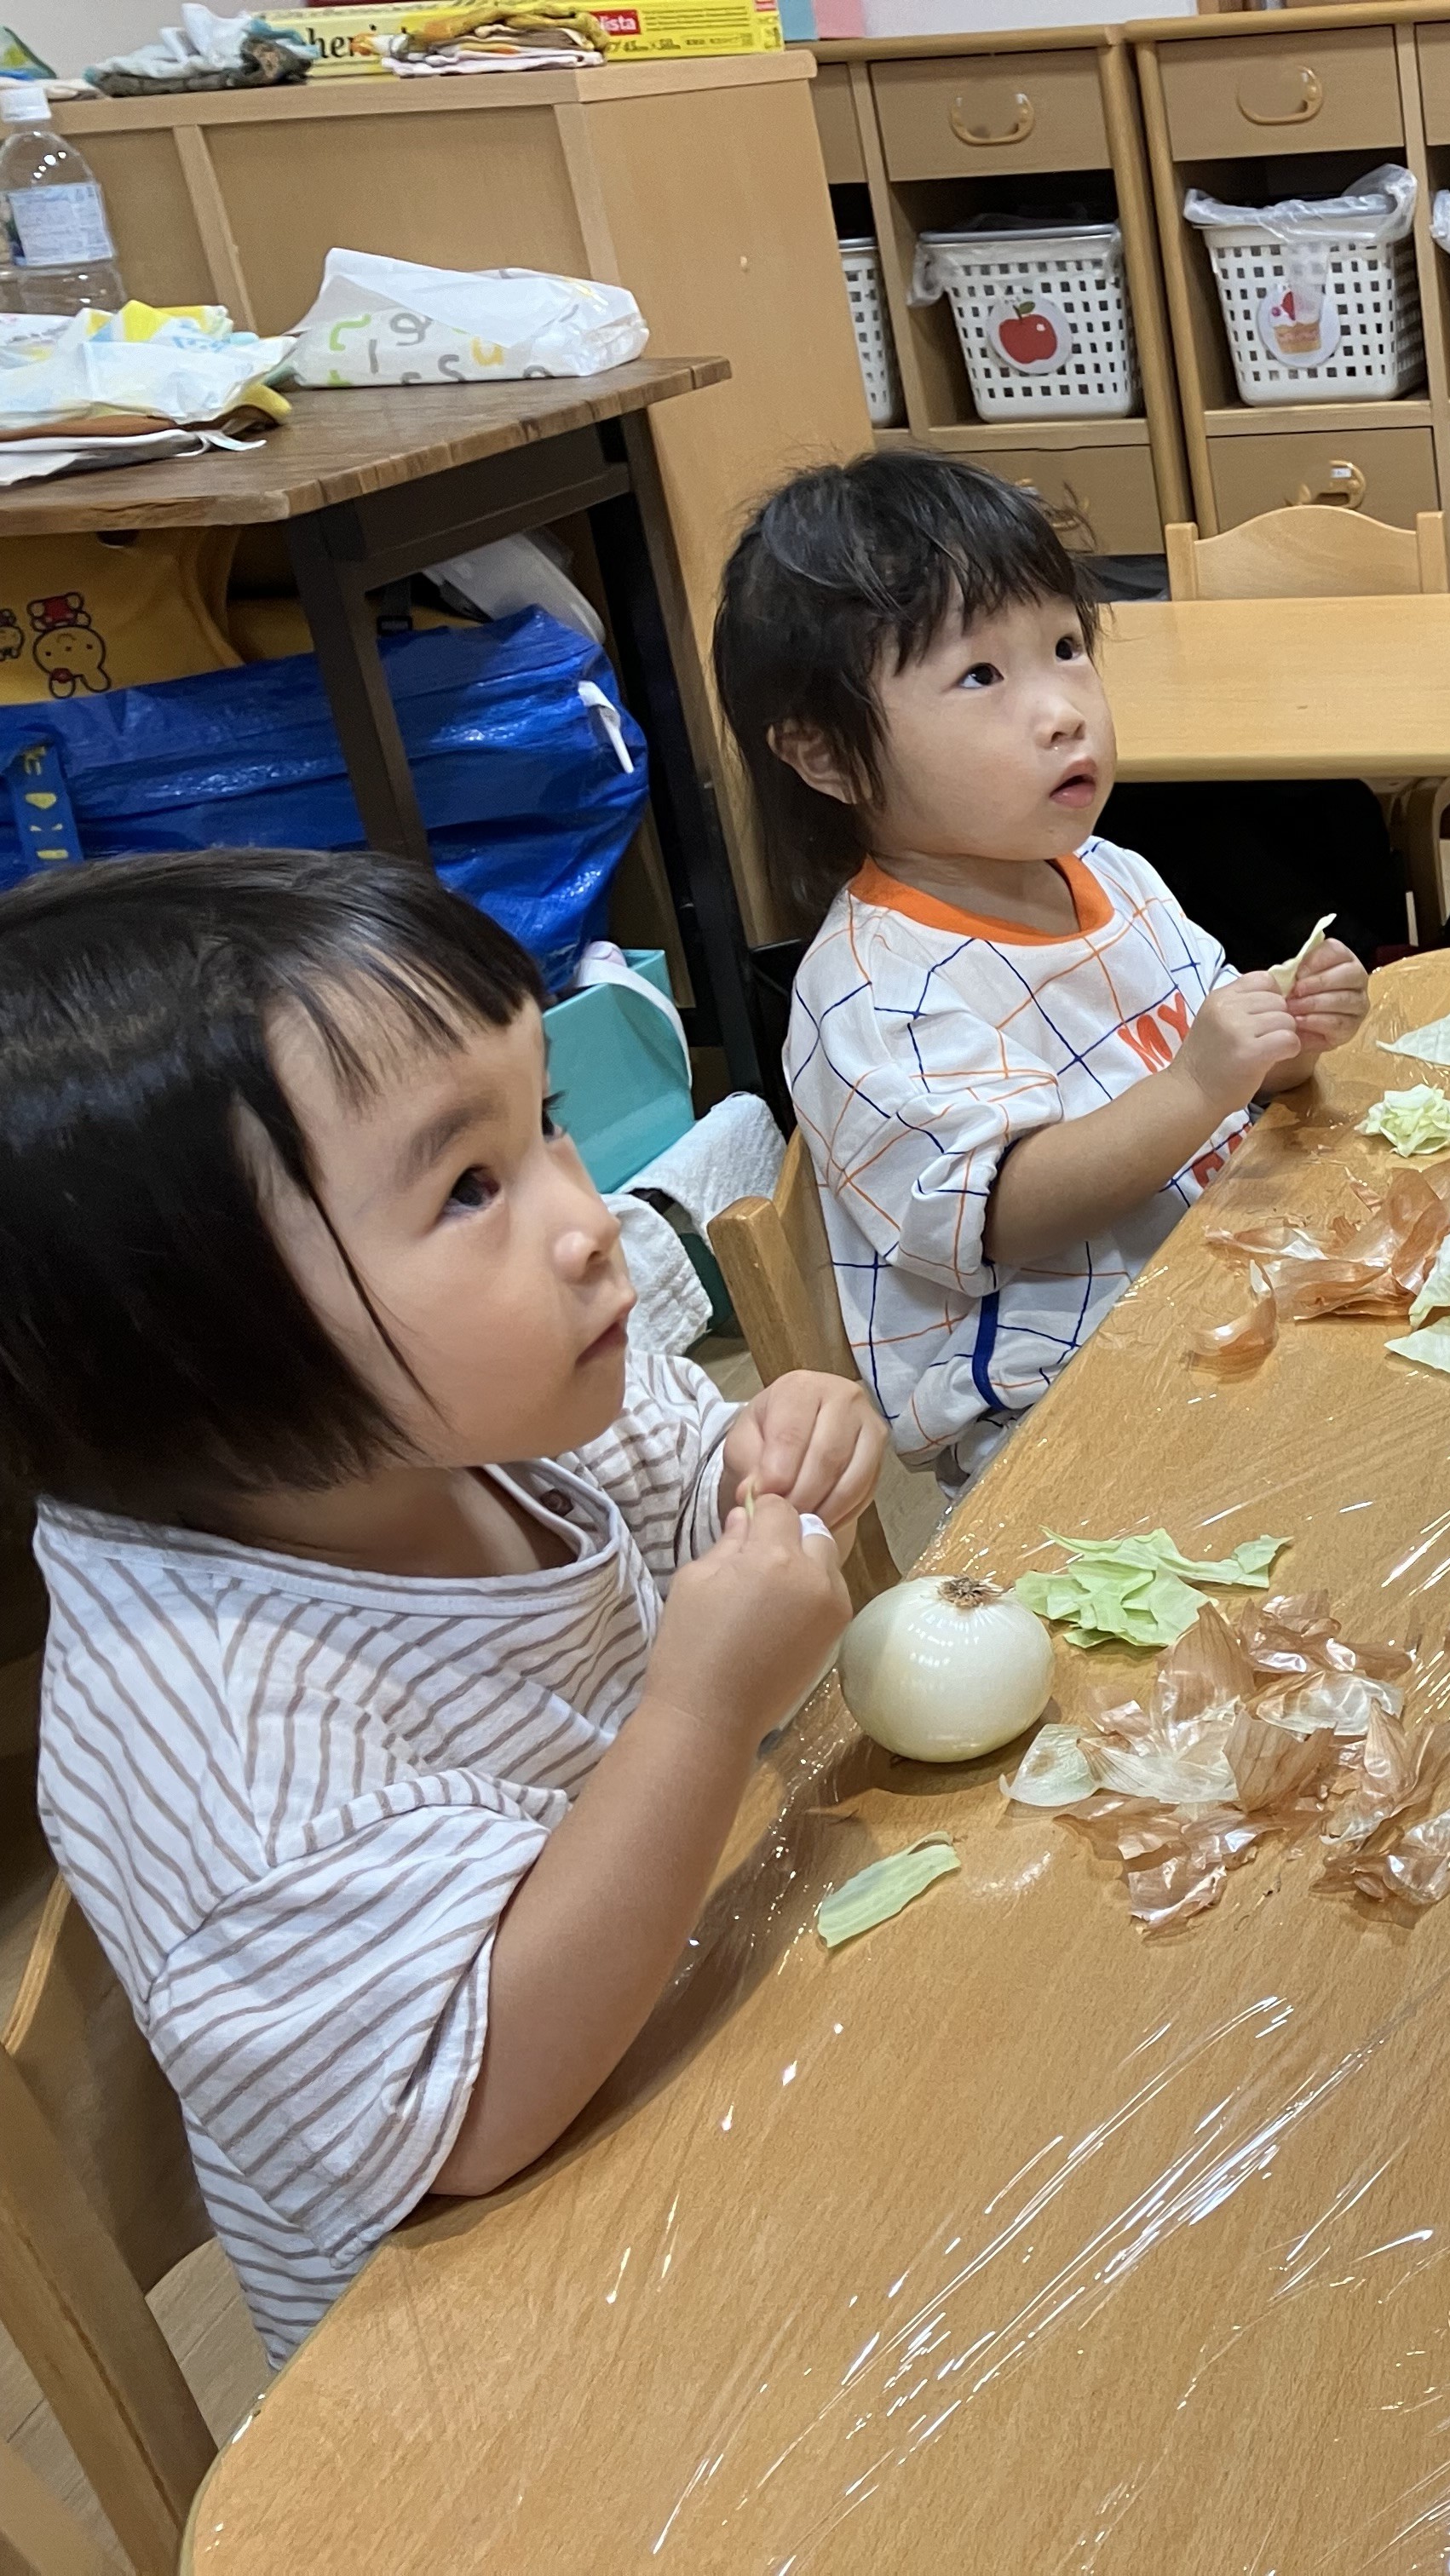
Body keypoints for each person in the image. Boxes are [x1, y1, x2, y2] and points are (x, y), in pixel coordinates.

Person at [0, 853, 879, 2360]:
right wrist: (702, 1703)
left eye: (539, 1120)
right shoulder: (224, 1732)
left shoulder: (499, 1409)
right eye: (468, 1185)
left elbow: (689, 1490)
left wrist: (771, 1465)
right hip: (500, 2351)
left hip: (696, 2084)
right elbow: (474, 2108)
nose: (586, 1215)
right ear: (193, 1343)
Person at [715, 452, 1368, 1481]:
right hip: (1063, 1421)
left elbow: (1216, 1067)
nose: (1063, 708)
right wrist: (1204, 1078)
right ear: (827, 757)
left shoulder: (1110, 872)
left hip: (1208, 1295)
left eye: (1066, 647)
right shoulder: (880, 993)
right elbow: (1004, 1214)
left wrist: (1284, 1033)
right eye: (982, 675)